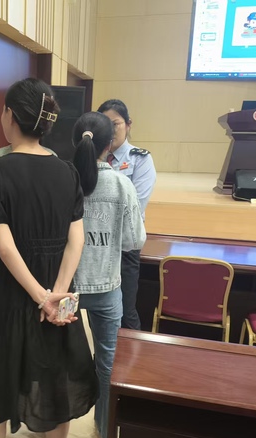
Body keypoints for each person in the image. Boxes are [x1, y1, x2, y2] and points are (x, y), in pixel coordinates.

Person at [0, 78, 98, 438]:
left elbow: (6, 248)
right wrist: (56, 295)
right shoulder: (67, 171)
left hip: (15, 301)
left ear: (9, 116)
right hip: (60, 305)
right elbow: (76, 241)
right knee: (56, 393)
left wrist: (41, 296)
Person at [71, 112, 146, 438]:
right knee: (107, 363)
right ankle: (104, 430)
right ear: (109, 143)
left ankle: (50, 430)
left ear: (75, 141)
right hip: (106, 288)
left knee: (57, 361)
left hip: (67, 289)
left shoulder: (62, 180)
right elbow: (134, 240)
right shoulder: (121, 184)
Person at [98, 99, 156, 331]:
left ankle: (131, 352)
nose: (111, 130)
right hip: (97, 242)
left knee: (125, 309)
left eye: (116, 124)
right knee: (97, 306)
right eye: (105, 125)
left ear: (128, 124)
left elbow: (136, 206)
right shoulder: (92, 158)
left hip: (125, 245)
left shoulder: (140, 159)